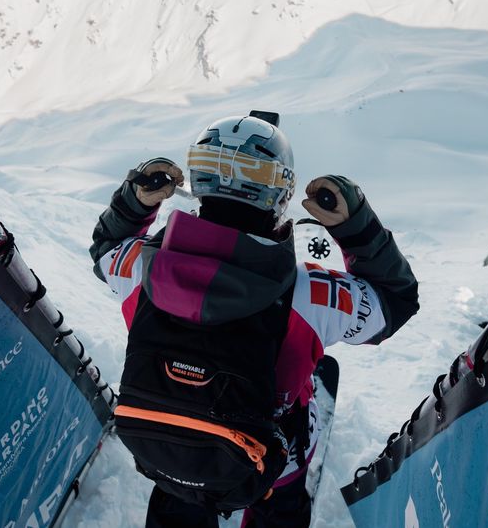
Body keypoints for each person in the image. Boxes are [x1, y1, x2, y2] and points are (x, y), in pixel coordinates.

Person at [89, 113, 419, 528]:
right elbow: (394, 302)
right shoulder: (310, 292)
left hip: (166, 444)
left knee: (181, 499)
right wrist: (356, 227)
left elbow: (106, 248)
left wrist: (134, 202)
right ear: (280, 193)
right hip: (271, 459)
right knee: (279, 498)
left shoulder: (139, 267)